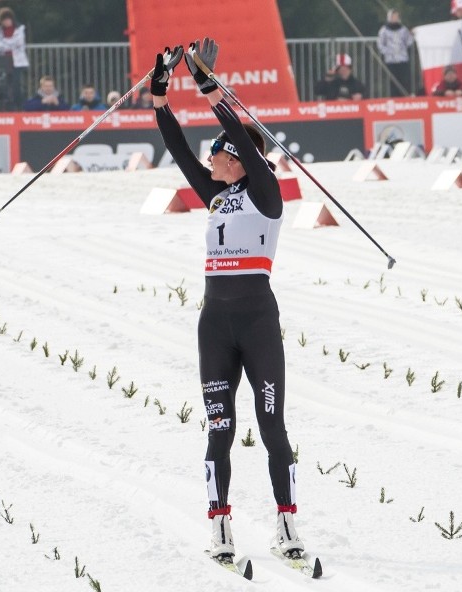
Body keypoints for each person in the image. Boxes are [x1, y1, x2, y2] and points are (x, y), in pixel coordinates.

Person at [150, 40, 305, 564]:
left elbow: (239, 131)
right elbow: (176, 148)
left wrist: (206, 80)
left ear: (238, 162)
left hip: (258, 320)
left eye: (217, 153)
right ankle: (220, 526)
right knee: (220, 430)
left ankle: (287, 523)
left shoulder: (266, 191)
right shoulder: (215, 193)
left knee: (271, 428)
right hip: (215, 323)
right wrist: (160, 93)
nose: (210, 158)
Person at [0, 7, 29, 111]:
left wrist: (7, 43)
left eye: (8, 19)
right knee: (5, 86)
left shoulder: (20, 29)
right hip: (4, 62)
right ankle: (8, 108)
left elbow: (19, 43)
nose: (7, 21)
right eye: (4, 20)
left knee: (17, 86)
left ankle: (20, 107)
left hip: (18, 62)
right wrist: (11, 44)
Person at [376, 9, 415, 97]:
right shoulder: (384, 30)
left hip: (403, 59)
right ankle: (394, 98)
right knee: (393, 81)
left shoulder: (403, 29)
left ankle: (406, 96)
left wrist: (411, 35)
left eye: (396, 16)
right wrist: (388, 52)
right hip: (391, 60)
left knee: (405, 80)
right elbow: (380, 44)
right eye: (393, 17)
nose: (395, 18)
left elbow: (408, 42)